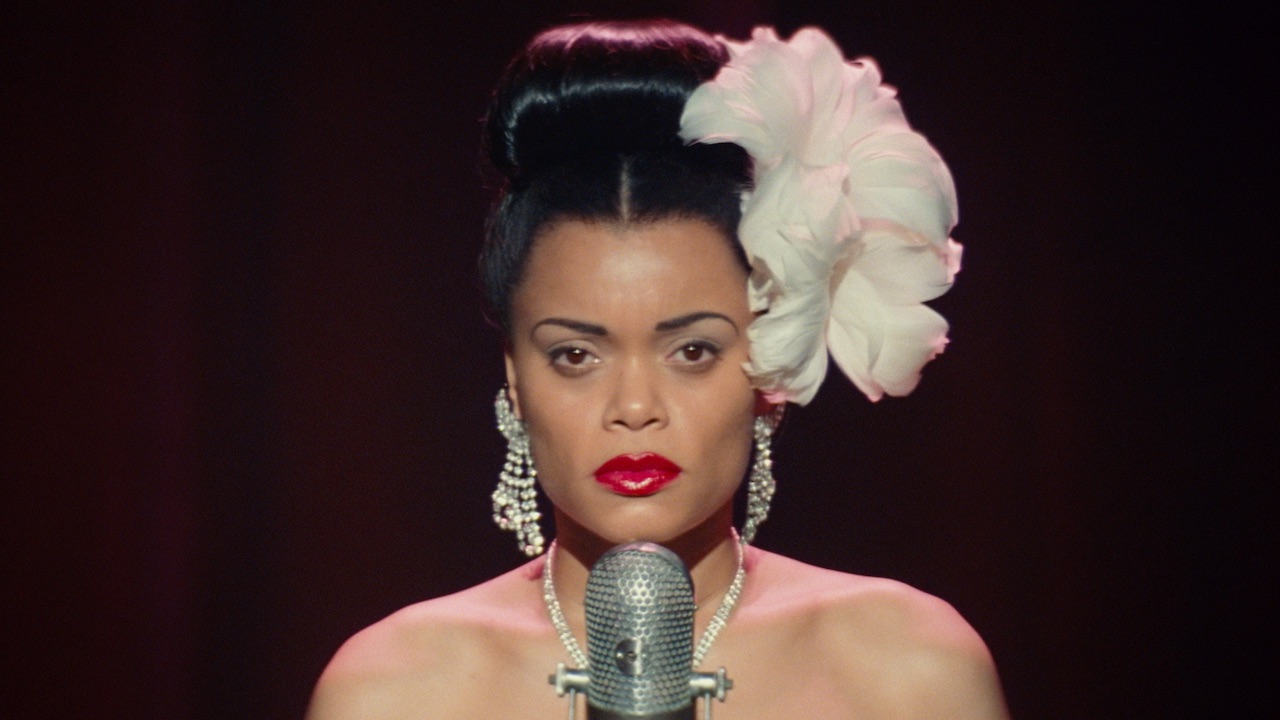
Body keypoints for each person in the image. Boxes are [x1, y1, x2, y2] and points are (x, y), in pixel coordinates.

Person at [307, 19, 1008, 719]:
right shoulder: (392, 690)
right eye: (576, 356)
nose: (635, 407)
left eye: (693, 351)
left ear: (770, 364)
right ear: (515, 380)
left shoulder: (906, 669)